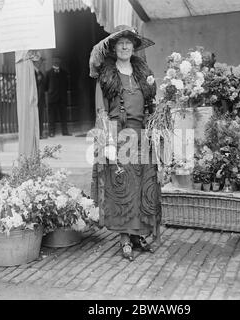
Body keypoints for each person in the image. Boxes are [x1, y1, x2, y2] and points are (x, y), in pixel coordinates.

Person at [89, 25, 161, 261]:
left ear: (134, 47)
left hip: (142, 135)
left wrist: (158, 124)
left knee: (143, 186)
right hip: (118, 135)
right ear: (113, 47)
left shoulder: (143, 74)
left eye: (129, 43)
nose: (125, 46)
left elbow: (151, 104)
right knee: (124, 187)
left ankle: (139, 235)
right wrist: (107, 142)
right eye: (120, 43)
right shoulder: (105, 76)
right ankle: (124, 239)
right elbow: (101, 110)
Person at [44, 57, 70, 137]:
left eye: (58, 60)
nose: (56, 61)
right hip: (52, 98)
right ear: (52, 61)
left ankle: (65, 131)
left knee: (64, 115)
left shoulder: (64, 73)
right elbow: (46, 86)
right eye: (55, 60)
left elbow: (66, 85)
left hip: (62, 97)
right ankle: (51, 132)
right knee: (51, 116)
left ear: (60, 61)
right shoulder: (48, 73)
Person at [33, 56, 47, 139]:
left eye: (41, 62)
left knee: (40, 117)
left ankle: (40, 133)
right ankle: (35, 134)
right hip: (34, 99)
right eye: (39, 62)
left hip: (40, 99)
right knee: (34, 117)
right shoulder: (31, 73)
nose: (40, 64)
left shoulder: (40, 73)